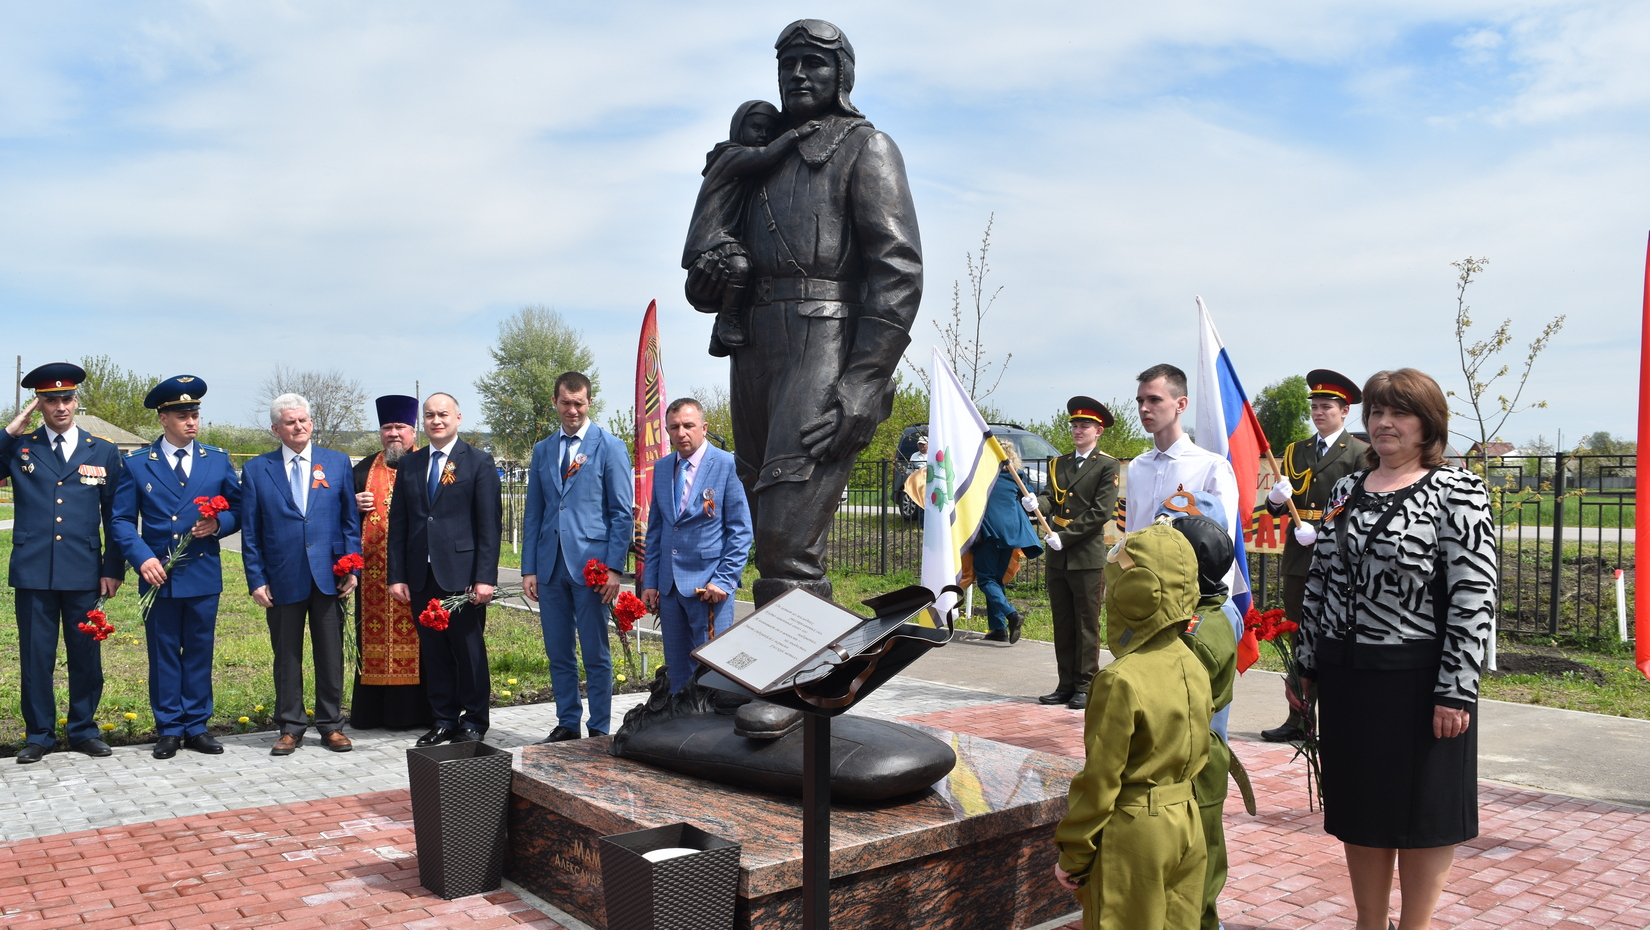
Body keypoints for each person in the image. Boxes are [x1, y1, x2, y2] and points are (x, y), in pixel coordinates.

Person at [684, 18, 922, 608]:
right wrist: (713, 275)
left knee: (787, 534)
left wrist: (865, 381)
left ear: (841, 74)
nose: (796, 74)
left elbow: (898, 271)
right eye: (786, 63)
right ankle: (781, 677)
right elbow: (704, 280)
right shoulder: (757, 159)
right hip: (754, 349)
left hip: (824, 343)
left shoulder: (866, 148)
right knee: (759, 513)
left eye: (812, 62)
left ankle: (798, 687)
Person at [1297, 368, 1495, 930]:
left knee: (1424, 812)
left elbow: (1473, 596)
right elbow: (1322, 581)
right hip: (1349, 678)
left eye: (1399, 413)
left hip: (1421, 683)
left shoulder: (1457, 491)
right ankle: (1368, 922)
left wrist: (1457, 689)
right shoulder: (1345, 490)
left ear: (1428, 424)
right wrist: (1307, 664)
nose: (1384, 423)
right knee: (1360, 810)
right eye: (1377, 412)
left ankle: (1416, 925)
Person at [1054, 521, 1211, 930]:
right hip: (1187, 821)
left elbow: (1101, 780)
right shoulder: (1194, 664)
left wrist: (1074, 853)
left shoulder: (1120, 678)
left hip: (1136, 831)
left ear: (1135, 593)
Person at [111, 375, 242, 760]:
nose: (191, 422)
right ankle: (169, 726)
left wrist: (219, 525)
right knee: (164, 652)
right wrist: (142, 558)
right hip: (159, 575)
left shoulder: (216, 460)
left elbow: (239, 509)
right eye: (182, 415)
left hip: (202, 574)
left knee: (199, 652)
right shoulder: (137, 464)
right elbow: (120, 520)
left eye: (195, 414)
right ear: (162, 418)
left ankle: (197, 725)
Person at [1, 363, 126, 763]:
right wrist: (11, 429)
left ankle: (84, 729)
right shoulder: (23, 447)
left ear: (76, 401)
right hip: (34, 569)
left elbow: (116, 516)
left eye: (66, 398)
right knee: (37, 656)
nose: (60, 406)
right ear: (39, 404)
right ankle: (39, 734)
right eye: (50, 400)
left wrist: (112, 567)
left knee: (86, 654)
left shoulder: (102, 449)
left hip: (85, 570)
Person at [240, 393, 361, 755]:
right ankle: (291, 726)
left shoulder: (337, 464)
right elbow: (251, 531)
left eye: (303, 420)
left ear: (311, 423)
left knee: (330, 654)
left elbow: (348, 522)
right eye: (290, 422)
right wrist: (256, 579)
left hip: (329, 577)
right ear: (276, 428)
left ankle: (331, 724)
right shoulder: (257, 469)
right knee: (287, 656)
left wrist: (352, 567)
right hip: (281, 578)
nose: (298, 427)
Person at [520, 372, 633, 742]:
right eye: (566, 403)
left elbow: (621, 512)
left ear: (589, 402)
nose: (572, 410)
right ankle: (568, 722)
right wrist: (529, 569)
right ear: (555, 402)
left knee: (596, 653)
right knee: (558, 652)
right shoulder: (543, 450)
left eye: (579, 403)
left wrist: (615, 567)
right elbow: (534, 513)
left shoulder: (609, 446)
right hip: (551, 567)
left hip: (592, 569)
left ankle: (599, 727)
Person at [386, 393, 501, 747]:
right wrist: (397, 575)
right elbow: (399, 523)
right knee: (433, 652)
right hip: (421, 574)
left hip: (462, 576)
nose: (437, 420)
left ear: (458, 418)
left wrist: (485, 578)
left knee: (467, 652)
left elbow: (489, 525)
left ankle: (474, 721)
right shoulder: (411, 464)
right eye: (430, 415)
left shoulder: (478, 462)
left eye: (443, 414)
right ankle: (443, 719)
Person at [1261, 369, 1370, 743]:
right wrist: (1275, 499)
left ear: (1344, 411)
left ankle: (1337, 719)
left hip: (1337, 556)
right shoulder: (1295, 451)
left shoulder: (1359, 453)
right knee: (1298, 636)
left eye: (1327, 406)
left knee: (1332, 637)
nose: (1319, 412)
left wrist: (1323, 533)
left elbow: (1362, 509)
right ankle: (1299, 719)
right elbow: (1277, 508)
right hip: (1297, 558)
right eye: (1315, 406)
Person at [1157, 492, 1241, 930]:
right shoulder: (1201, 613)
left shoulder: (1200, 630)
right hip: (1190, 757)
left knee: (1201, 864)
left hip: (1195, 760)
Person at [683, 100, 819, 355]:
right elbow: (765, 156)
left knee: (741, 274)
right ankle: (727, 322)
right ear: (738, 128)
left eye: (769, 130)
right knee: (739, 267)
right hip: (713, 235)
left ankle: (721, 327)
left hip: (730, 233)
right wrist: (795, 134)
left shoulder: (748, 169)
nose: (763, 135)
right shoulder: (729, 155)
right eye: (756, 127)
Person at [640, 397, 753, 692]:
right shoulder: (663, 468)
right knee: (678, 670)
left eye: (688, 425)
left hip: (709, 589)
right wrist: (650, 581)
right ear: (667, 431)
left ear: (703, 428)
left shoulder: (728, 464)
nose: (682, 433)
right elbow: (657, 530)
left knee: (714, 671)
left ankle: (715, 733)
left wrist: (724, 579)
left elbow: (741, 530)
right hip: (669, 588)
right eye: (674, 427)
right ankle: (681, 732)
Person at [1025, 396, 1120, 710]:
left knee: (1086, 624)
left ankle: (1085, 684)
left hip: (1085, 555)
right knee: (1063, 622)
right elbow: (1053, 499)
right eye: (1075, 425)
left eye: (1085, 426)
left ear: (1099, 431)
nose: (1078, 431)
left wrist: (1065, 537)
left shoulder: (1107, 465)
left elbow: (1100, 512)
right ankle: (1065, 683)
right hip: (1058, 556)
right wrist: (1038, 504)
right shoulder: (1059, 463)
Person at [350, 395, 431, 730]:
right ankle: (372, 714)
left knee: (423, 641)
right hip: (372, 578)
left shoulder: (430, 465)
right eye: (387, 427)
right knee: (371, 640)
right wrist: (352, 506)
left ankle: (418, 714)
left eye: (401, 427)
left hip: (417, 574)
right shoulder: (360, 471)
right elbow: (339, 522)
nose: (394, 433)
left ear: (413, 430)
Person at [1126, 364, 1240, 583]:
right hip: (1140, 588)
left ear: (1181, 404)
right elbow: (1131, 534)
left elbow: (1223, 545)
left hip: (1189, 589)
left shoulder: (1212, 467)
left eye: (1154, 399)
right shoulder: (1137, 466)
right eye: (1140, 401)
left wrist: (1215, 603)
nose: (1144, 408)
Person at [970, 444, 1042, 643]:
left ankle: (1011, 615)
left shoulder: (982, 475)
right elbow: (1028, 494)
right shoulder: (1015, 475)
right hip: (1011, 534)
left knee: (986, 580)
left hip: (989, 533)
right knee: (996, 580)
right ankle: (998, 628)